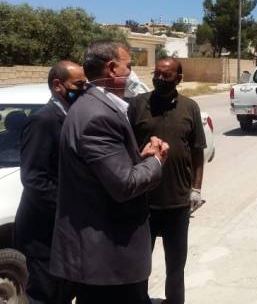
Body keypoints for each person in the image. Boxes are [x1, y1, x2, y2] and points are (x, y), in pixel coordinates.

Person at [50, 41, 169, 304]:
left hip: (105, 261)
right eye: (129, 66)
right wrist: (156, 161)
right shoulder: (97, 116)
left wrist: (140, 159)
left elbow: (108, 171)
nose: (132, 73)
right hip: (108, 261)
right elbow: (124, 185)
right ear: (113, 69)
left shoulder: (96, 106)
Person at [128, 57, 207, 304]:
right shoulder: (137, 105)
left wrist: (196, 189)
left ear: (178, 79)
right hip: (143, 202)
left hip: (178, 203)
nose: (159, 78)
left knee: (176, 265)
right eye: (156, 74)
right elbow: (126, 148)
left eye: (166, 75)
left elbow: (197, 151)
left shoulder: (190, 107)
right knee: (139, 265)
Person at [14, 60, 85, 304]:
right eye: (79, 85)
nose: (83, 90)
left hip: (63, 232)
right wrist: (69, 210)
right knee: (46, 294)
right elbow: (34, 178)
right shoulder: (43, 121)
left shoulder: (71, 115)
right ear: (58, 85)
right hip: (43, 233)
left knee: (64, 293)